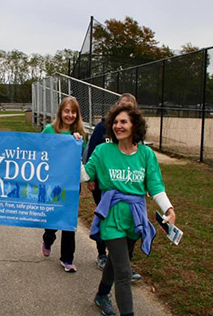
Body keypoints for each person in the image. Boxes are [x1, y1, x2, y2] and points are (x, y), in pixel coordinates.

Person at [81, 102, 176, 316]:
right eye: (115, 122)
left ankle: (101, 294)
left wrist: (168, 209)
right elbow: (85, 175)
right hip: (112, 217)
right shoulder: (103, 151)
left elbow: (155, 185)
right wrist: (71, 153)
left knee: (116, 263)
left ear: (135, 125)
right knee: (124, 272)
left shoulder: (146, 155)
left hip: (136, 218)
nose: (118, 126)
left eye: (123, 121)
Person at [86, 93, 142, 281]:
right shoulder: (103, 133)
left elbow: (140, 166)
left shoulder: (142, 150)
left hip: (129, 197)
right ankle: (104, 255)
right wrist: (90, 177)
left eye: (130, 107)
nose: (120, 125)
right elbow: (91, 155)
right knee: (106, 221)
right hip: (106, 190)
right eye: (122, 106)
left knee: (126, 234)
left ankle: (118, 270)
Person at [40, 96, 86, 273]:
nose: (70, 115)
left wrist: (77, 142)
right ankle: (48, 238)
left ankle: (67, 258)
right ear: (60, 112)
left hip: (71, 184)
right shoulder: (50, 130)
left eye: (73, 112)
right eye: (67, 111)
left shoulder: (78, 134)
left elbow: (81, 158)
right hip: (53, 182)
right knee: (53, 217)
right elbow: (39, 150)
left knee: (69, 221)